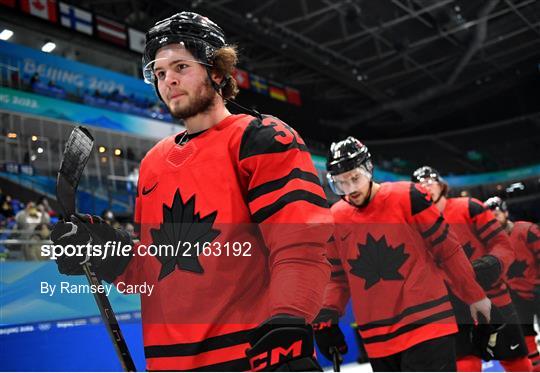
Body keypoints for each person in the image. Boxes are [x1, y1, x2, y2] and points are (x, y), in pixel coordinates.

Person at [50, 11, 333, 371]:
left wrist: (289, 319)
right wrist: (101, 247)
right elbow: (152, 269)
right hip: (170, 363)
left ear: (217, 71)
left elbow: (301, 244)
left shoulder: (260, 137)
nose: (168, 80)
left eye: (181, 67)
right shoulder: (153, 162)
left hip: (253, 356)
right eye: (160, 73)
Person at [314, 137, 491, 372]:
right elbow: (336, 277)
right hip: (379, 340)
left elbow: (447, 251)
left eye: (354, 178)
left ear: (368, 169)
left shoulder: (409, 197)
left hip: (428, 325)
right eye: (341, 183)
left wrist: (475, 295)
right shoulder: (335, 218)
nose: (350, 189)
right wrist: (326, 319)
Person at [412, 166, 531, 371]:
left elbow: (503, 244)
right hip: (452, 306)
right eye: (419, 185)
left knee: (517, 362)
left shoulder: (469, 207)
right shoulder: (413, 224)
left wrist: (491, 265)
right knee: (464, 364)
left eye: (429, 181)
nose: (425, 187)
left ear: (441, 184)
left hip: (493, 296)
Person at [485, 196, 540, 370]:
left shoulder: (527, 230)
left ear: (506, 212)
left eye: (497, 214)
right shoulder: (489, 244)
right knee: (526, 336)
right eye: (490, 217)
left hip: (537, 289)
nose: (494, 219)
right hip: (516, 295)